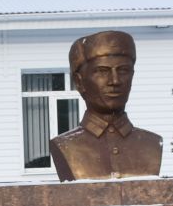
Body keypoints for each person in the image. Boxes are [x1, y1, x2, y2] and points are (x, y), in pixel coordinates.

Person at [49, 30, 164, 180]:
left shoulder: (152, 144)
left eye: (123, 71)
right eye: (102, 71)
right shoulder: (65, 145)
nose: (115, 81)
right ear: (79, 81)